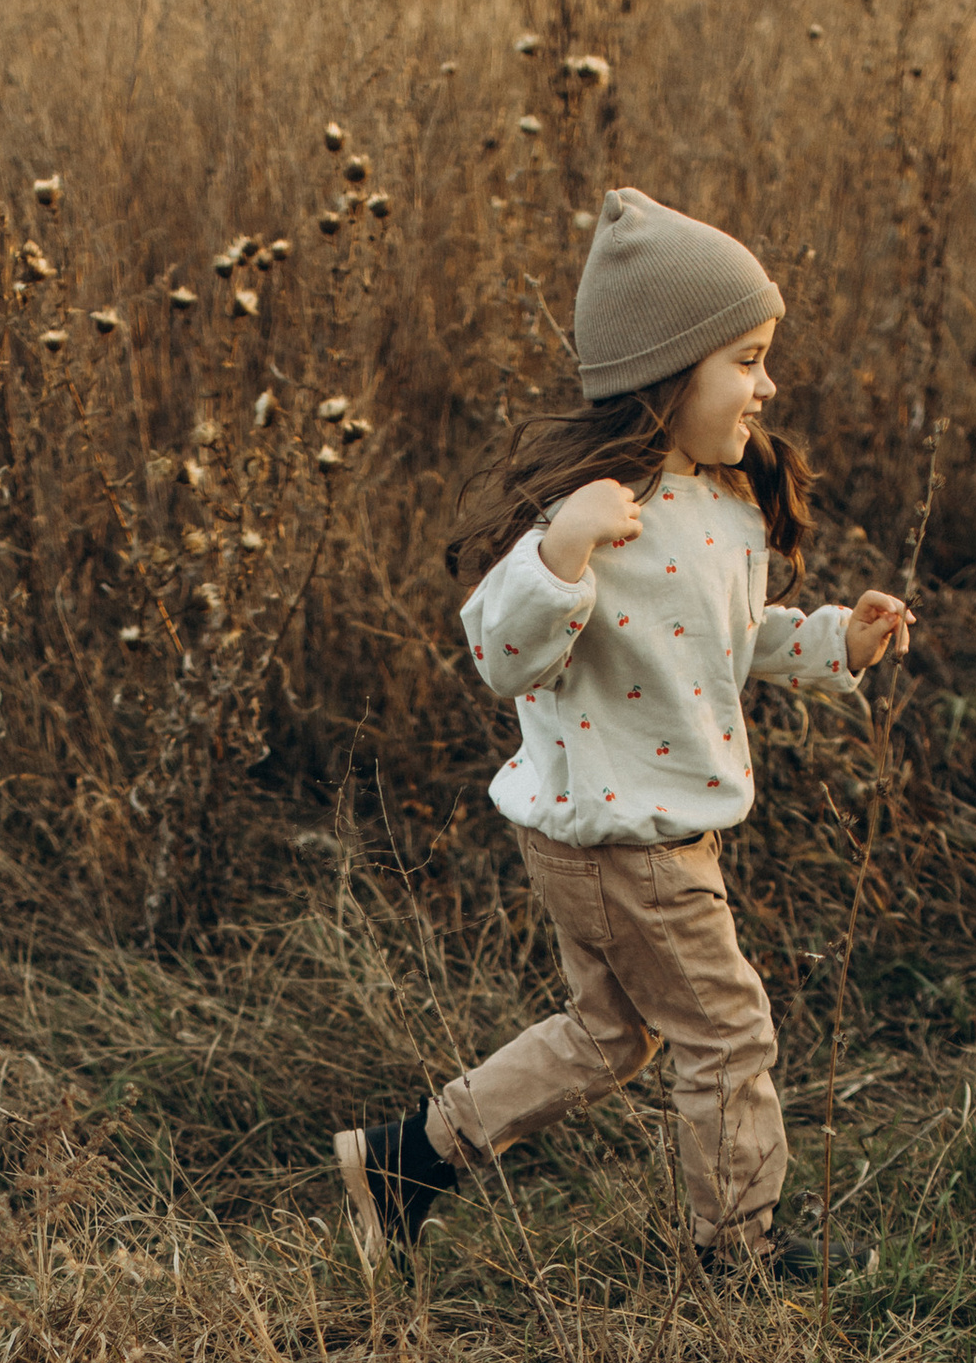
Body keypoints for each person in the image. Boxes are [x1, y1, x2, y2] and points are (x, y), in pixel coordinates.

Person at [336, 185, 913, 1288]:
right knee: (728, 1034)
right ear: (666, 372)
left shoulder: (723, 505)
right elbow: (502, 655)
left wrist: (842, 640)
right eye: (743, 359)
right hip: (622, 840)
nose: (765, 383)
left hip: (626, 835)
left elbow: (727, 646)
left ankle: (407, 1163)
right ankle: (738, 1254)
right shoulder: (595, 514)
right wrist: (559, 553)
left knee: (611, 1035)